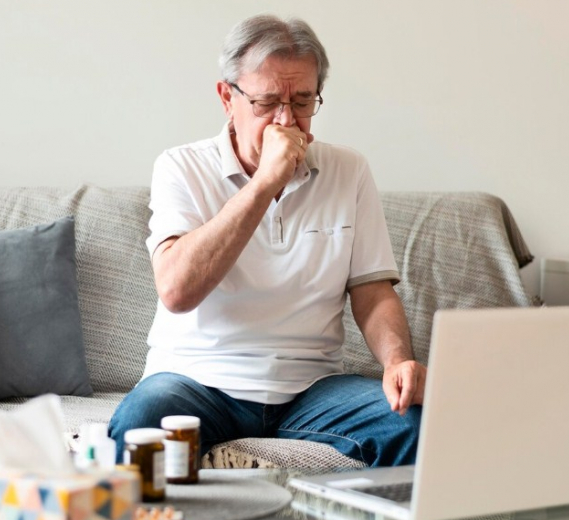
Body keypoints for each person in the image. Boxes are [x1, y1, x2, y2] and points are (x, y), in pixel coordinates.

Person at [108, 14, 425, 467]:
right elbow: (177, 290)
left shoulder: (348, 170)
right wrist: (264, 182)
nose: (287, 120)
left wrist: (396, 363)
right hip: (196, 381)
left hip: (312, 389)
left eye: (302, 101)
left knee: (415, 423)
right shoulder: (180, 167)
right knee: (142, 423)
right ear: (227, 98)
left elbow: (372, 292)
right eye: (267, 102)